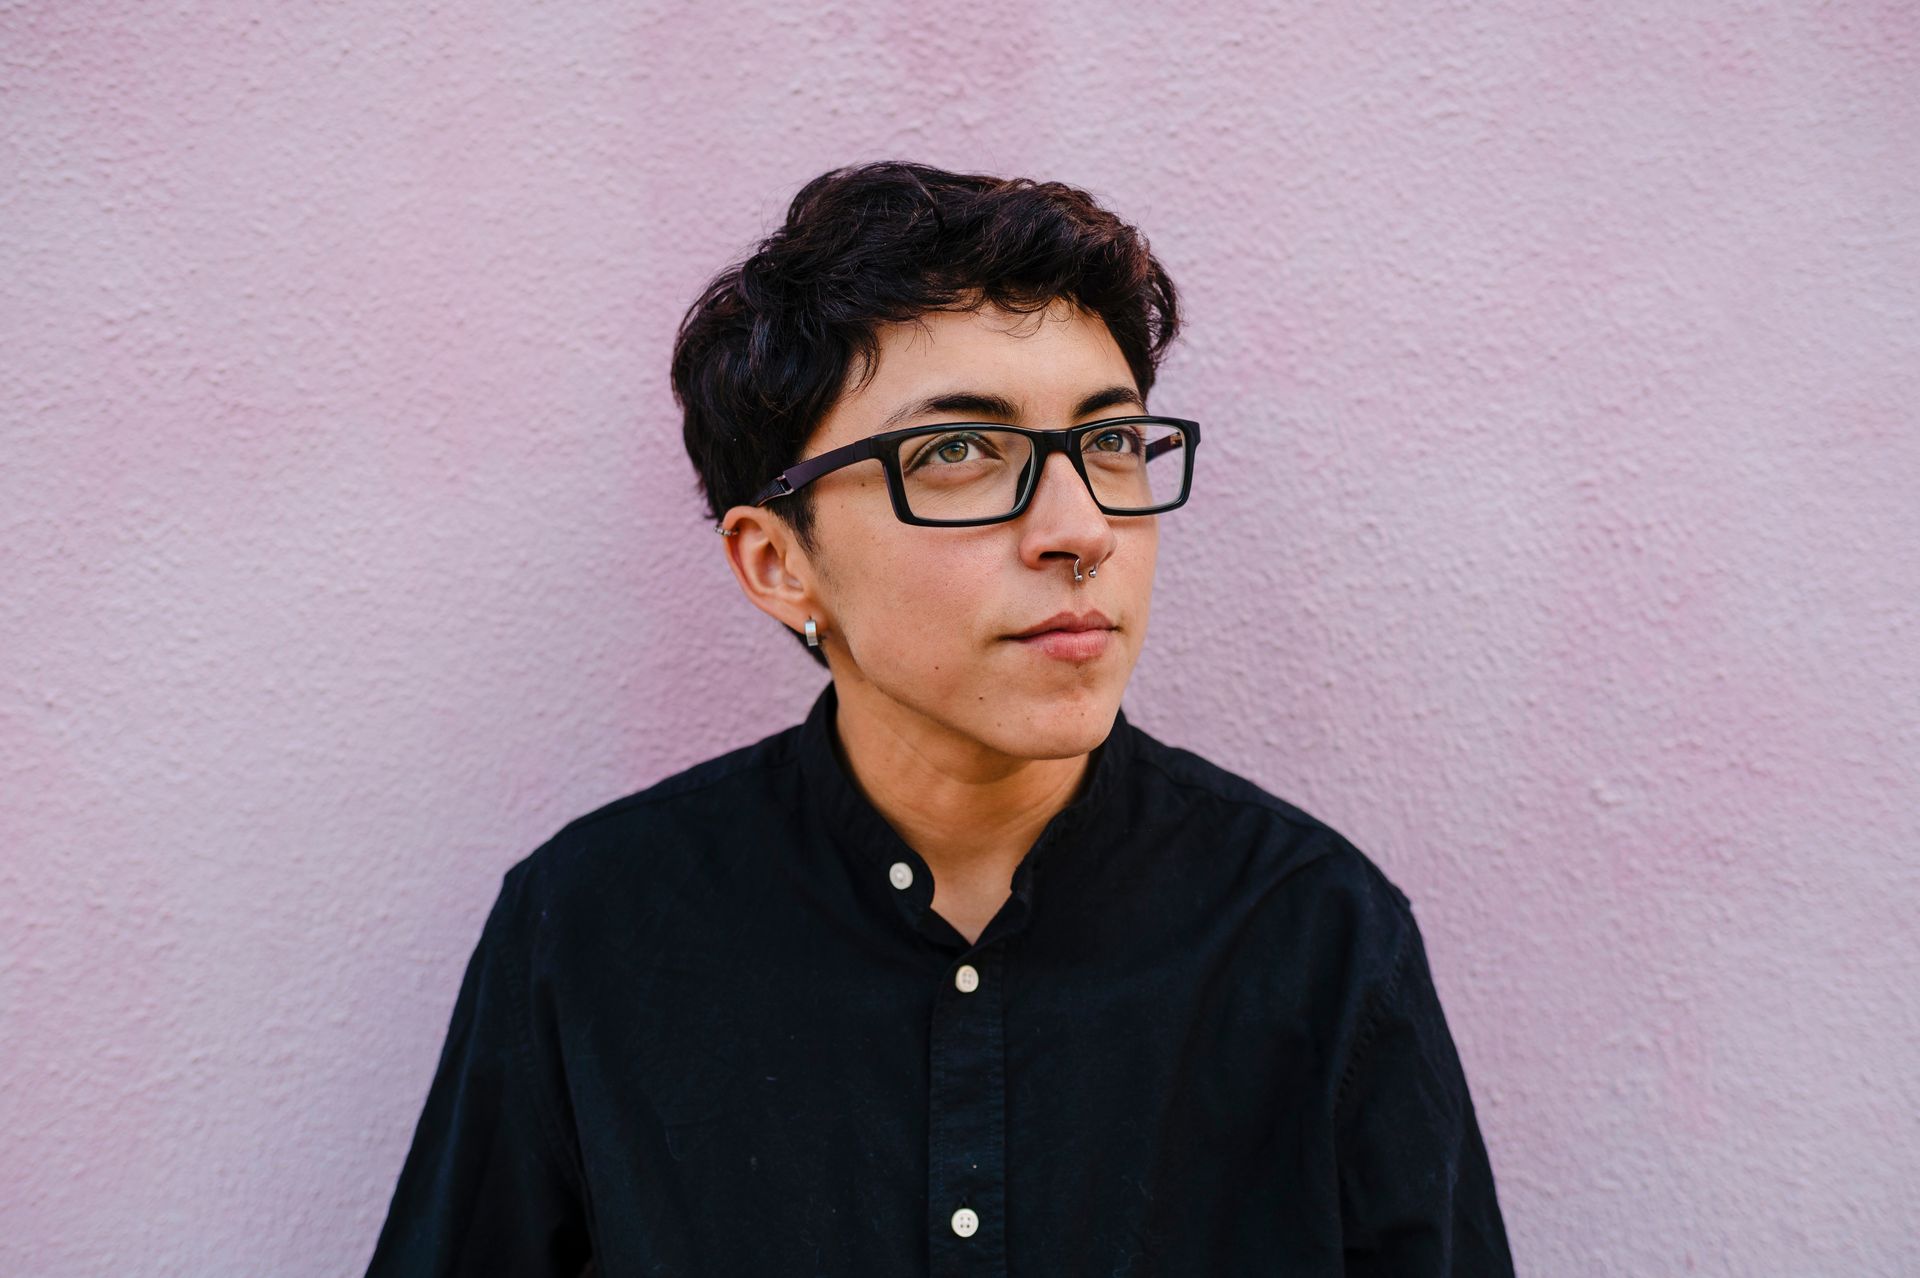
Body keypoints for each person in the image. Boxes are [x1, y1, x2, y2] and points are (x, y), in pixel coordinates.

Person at [364, 160, 1515, 1276]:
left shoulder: (1313, 935)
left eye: (1110, 441)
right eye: (961, 450)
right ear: (777, 563)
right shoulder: (596, 929)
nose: (1082, 529)